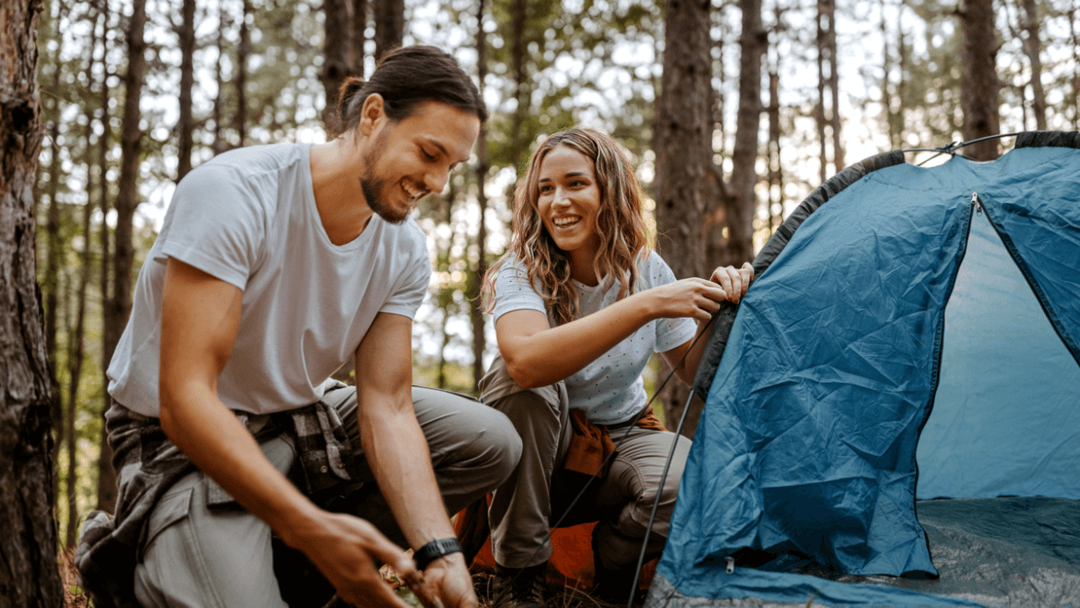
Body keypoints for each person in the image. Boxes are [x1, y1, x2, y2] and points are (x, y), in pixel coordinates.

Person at [75, 46, 521, 608]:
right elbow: (185, 399)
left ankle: (293, 562)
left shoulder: (404, 249)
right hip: (181, 439)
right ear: (373, 115)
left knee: (489, 442)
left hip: (299, 417)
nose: (437, 183)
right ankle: (152, 554)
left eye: (451, 167)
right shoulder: (234, 193)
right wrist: (312, 525)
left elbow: (387, 404)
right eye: (430, 153)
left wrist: (441, 553)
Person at [478, 128, 753, 608]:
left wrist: (720, 308)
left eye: (575, 184)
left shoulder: (645, 268)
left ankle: (614, 559)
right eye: (545, 188)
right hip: (537, 457)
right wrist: (647, 306)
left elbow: (694, 373)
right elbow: (524, 363)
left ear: (610, 189)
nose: (558, 201)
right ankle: (519, 580)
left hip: (620, 440)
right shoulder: (519, 271)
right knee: (519, 384)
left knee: (695, 483)